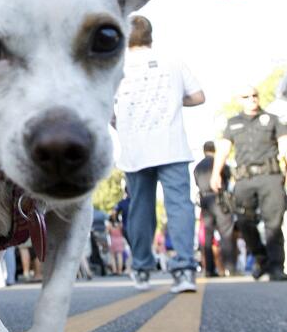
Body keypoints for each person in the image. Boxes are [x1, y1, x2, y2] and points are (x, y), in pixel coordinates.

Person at [114, 15, 205, 294]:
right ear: (150, 35)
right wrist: (176, 101)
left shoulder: (115, 66)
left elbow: (107, 111)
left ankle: (141, 269)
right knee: (179, 206)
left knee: (140, 209)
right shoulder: (172, 60)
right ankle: (185, 269)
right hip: (171, 145)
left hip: (134, 148)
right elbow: (198, 96)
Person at [210, 86, 287, 281]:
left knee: (274, 222)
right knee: (244, 221)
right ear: (240, 100)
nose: (252, 99)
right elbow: (224, 149)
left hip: (270, 176)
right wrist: (215, 173)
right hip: (244, 179)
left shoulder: (272, 119)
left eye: (255, 95)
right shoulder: (233, 123)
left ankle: (276, 266)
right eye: (247, 96)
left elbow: (284, 144)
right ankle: (261, 258)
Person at [194, 141, 236, 277]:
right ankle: (230, 267)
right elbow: (228, 177)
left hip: (205, 200)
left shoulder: (198, 167)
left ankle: (209, 269)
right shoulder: (218, 162)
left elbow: (196, 183)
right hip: (219, 198)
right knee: (226, 233)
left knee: (207, 236)